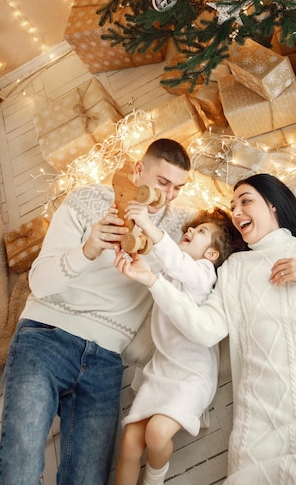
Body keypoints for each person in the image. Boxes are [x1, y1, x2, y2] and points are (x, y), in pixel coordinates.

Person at [0, 137, 296, 485]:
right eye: (161, 182)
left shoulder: (177, 227)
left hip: (105, 358)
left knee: (89, 476)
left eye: (177, 188)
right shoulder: (84, 200)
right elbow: (39, 282)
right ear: (138, 171)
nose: (166, 195)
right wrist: (88, 249)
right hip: (45, 335)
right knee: (20, 461)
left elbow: (235, 231)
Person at [114, 173, 296, 485]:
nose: (237, 212)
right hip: (257, 428)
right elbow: (206, 330)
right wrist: (154, 282)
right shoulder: (233, 270)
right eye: (233, 206)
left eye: (246, 201)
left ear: (274, 205)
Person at [115, 205, 245, 485]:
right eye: (190, 228)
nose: (189, 231)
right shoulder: (169, 273)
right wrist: (128, 257)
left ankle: (153, 479)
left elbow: (176, 262)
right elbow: (156, 264)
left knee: (157, 433)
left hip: (192, 376)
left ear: (211, 255)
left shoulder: (203, 275)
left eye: (200, 232)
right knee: (129, 442)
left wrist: (150, 226)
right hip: (161, 370)